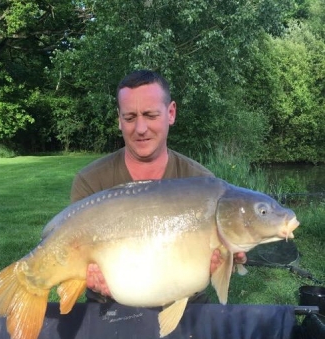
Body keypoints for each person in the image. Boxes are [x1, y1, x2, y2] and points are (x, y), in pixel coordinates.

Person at [70, 69, 246, 303]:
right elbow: (73, 253)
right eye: (130, 117)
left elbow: (221, 257)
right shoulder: (90, 181)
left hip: (185, 307)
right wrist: (84, 275)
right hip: (109, 308)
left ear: (170, 113)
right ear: (119, 120)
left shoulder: (201, 183)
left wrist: (225, 261)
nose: (140, 128)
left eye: (150, 115)